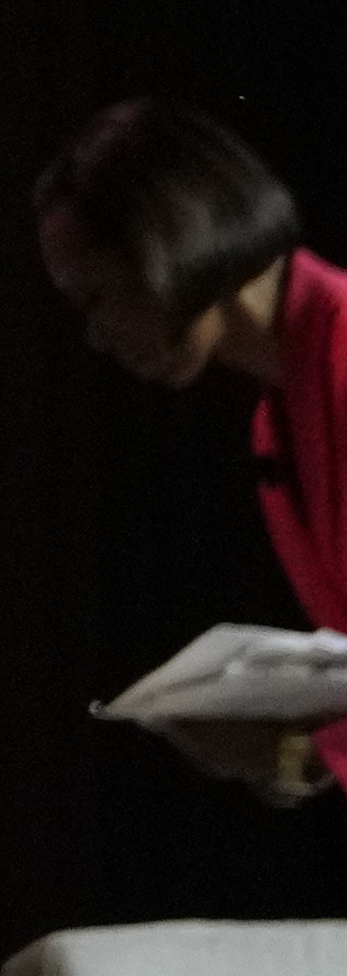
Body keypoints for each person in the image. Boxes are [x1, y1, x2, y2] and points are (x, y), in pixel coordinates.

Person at [38, 97, 347, 806]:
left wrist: (295, 753)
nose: (98, 336)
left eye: (97, 297)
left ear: (169, 245)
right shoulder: (279, 414)